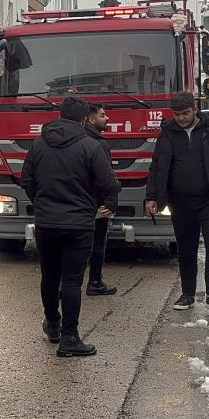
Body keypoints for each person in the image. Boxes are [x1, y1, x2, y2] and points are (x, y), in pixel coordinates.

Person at [21, 97, 122, 357]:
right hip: (79, 224)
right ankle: (70, 338)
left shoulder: (38, 144)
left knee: (49, 275)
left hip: (46, 223)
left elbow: (27, 180)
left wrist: (42, 203)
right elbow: (107, 182)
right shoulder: (90, 146)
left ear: (60, 115)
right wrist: (104, 202)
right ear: (84, 119)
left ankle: (52, 323)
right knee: (73, 281)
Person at [145, 91, 209, 313]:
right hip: (181, 202)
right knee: (186, 249)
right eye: (177, 114)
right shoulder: (167, 135)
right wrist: (151, 196)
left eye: (185, 113)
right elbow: (156, 168)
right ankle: (187, 294)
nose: (181, 118)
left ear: (195, 109)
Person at [83, 104, 118, 296]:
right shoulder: (98, 144)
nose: (107, 119)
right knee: (96, 244)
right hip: (96, 204)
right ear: (90, 120)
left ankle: (65, 284)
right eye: (103, 115)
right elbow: (107, 177)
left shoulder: (71, 141)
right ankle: (95, 282)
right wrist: (111, 201)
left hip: (75, 205)